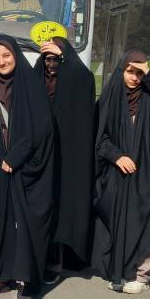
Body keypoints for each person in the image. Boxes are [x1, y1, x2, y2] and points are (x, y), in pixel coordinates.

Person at [0, 36, 55, 299]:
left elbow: (42, 128)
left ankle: (29, 282)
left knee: (27, 223)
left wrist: (16, 156)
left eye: (6, 55)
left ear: (16, 56)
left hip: (26, 167)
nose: (1, 62)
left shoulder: (30, 84)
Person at [91, 49, 150, 294]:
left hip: (149, 172)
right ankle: (120, 271)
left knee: (148, 221)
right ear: (121, 71)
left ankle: (142, 276)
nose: (134, 78)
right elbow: (99, 137)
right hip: (118, 174)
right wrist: (117, 156)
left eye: (140, 73)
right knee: (120, 221)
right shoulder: (110, 98)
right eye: (130, 71)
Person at [34, 37, 95, 271]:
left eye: (57, 60)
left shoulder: (78, 78)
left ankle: (60, 259)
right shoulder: (37, 78)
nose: (51, 65)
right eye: (47, 60)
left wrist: (63, 56)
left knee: (65, 207)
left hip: (69, 156)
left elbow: (82, 79)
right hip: (42, 155)